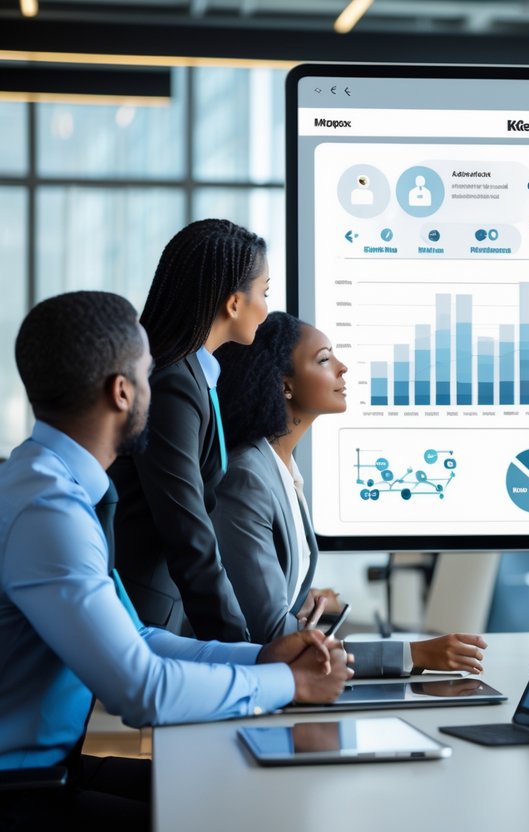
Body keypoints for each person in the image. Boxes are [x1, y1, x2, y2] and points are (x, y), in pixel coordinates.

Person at [0, 292, 352, 830]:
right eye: (150, 374)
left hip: (50, 770)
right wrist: (290, 684)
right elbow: (140, 690)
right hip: (22, 788)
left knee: (237, 793)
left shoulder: (51, 485)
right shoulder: (49, 512)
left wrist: (260, 660)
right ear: (122, 393)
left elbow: (137, 637)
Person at [213, 312, 488, 673]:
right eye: (324, 359)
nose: (342, 368)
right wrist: (412, 655)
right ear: (284, 385)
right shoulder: (248, 476)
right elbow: (274, 638)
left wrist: (299, 600)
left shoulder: (280, 470)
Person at [109, 219, 271, 641]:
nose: (267, 308)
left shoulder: (198, 375)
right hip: (143, 618)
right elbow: (187, 530)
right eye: (264, 292)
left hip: (166, 608)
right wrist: (244, 652)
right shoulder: (172, 383)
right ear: (234, 303)